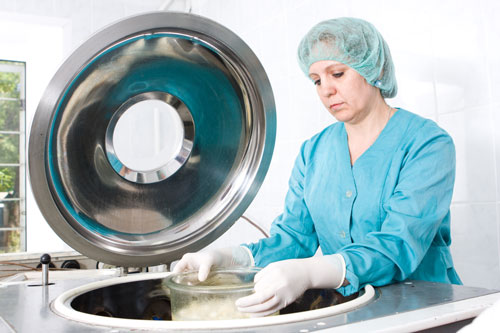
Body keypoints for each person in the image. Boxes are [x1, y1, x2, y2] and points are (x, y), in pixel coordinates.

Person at [173, 17, 462, 317]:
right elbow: (293, 239)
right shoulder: (314, 151)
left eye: (337, 73)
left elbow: (398, 244)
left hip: (427, 310)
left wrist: (312, 272)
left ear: (373, 69)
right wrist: (231, 259)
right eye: (316, 80)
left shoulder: (427, 144)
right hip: (353, 311)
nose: (326, 90)